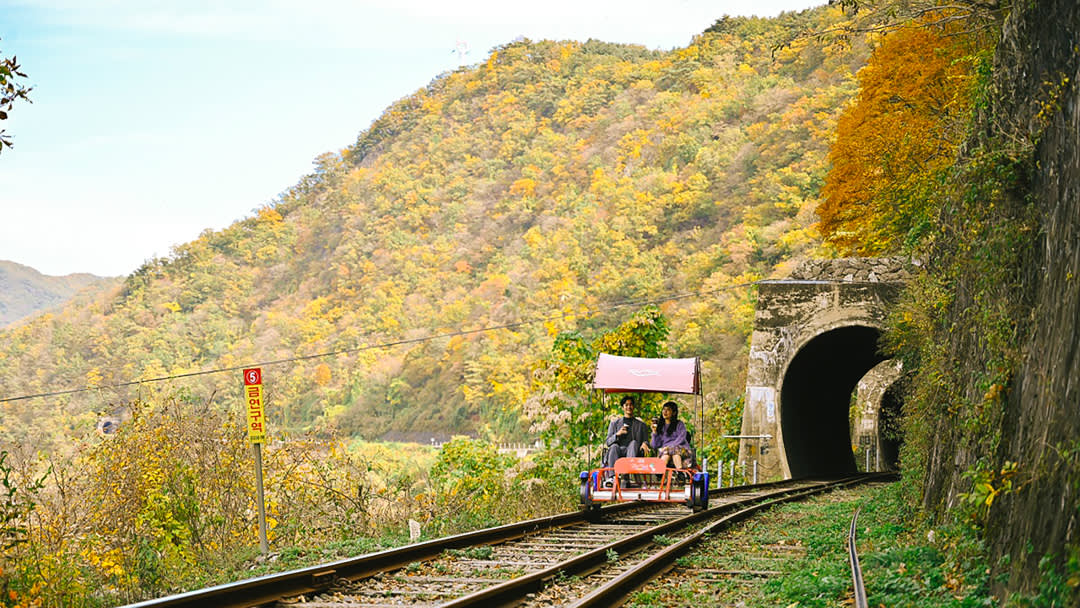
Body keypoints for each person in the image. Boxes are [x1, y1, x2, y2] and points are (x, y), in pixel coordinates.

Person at [602, 395, 651, 482]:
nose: (629, 407)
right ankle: (612, 477)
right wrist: (618, 434)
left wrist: (645, 443)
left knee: (634, 443)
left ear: (634, 407)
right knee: (614, 446)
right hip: (618, 451)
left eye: (631, 404)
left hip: (633, 451)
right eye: (626, 405)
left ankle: (628, 473)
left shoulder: (641, 425)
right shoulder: (614, 424)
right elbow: (608, 442)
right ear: (623, 407)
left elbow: (646, 440)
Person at [650, 401, 693, 474]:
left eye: (668, 410)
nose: (665, 411)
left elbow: (682, 438)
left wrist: (669, 447)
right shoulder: (660, 426)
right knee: (668, 454)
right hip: (666, 452)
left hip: (681, 450)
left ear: (674, 413)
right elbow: (654, 446)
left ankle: (661, 470)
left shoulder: (679, 424)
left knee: (674, 450)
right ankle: (678, 473)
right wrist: (654, 433)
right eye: (664, 409)